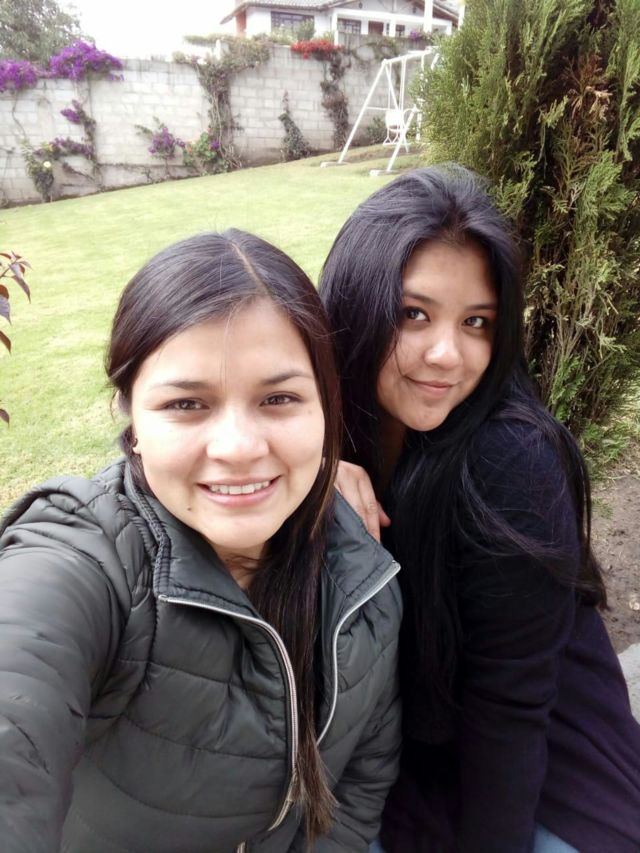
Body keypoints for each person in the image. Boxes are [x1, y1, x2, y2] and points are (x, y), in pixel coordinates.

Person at [0, 229, 402, 853]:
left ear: (326, 407)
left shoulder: (364, 577)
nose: (239, 448)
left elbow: (359, 787)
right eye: (187, 404)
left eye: (279, 398)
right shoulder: (87, 555)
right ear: (131, 418)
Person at [320, 166, 640, 853]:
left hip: (541, 779)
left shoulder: (509, 461)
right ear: (354, 306)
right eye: (413, 313)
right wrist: (314, 479)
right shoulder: (320, 444)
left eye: (477, 323)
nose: (447, 355)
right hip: (398, 763)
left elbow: (511, 713)